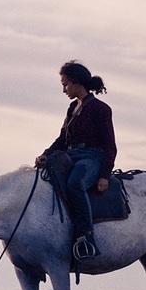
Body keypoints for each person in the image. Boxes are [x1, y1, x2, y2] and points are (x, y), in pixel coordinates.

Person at [35, 61, 116, 260]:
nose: (63, 89)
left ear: (77, 82)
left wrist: (105, 174)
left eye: (66, 84)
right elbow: (62, 139)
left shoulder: (100, 109)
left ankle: (86, 237)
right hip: (72, 155)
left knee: (74, 183)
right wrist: (46, 153)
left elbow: (110, 146)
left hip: (93, 157)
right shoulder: (73, 107)